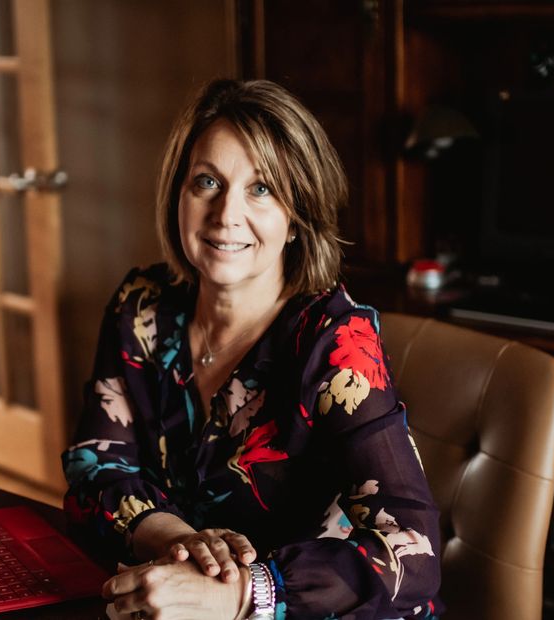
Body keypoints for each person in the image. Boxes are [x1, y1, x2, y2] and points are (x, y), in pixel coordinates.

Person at [63, 79, 442, 619]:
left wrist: (239, 593)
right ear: (179, 192)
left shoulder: (335, 344)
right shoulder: (141, 308)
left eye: (261, 188)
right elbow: (94, 467)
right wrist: (179, 540)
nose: (224, 214)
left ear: (297, 218)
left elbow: (413, 549)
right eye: (207, 181)